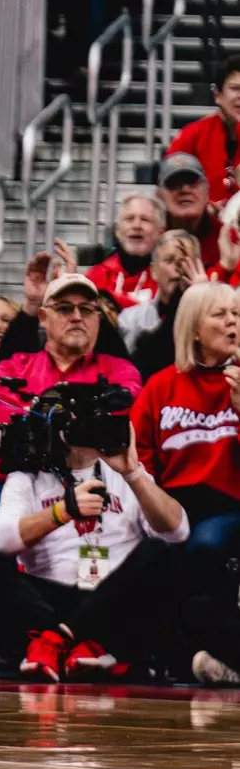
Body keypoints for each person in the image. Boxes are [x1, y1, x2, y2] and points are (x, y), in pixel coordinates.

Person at [0, 272, 143, 585]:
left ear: (98, 319)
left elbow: (124, 416)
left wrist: (41, 412)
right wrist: (77, 415)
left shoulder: (121, 371)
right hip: (18, 486)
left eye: (86, 309)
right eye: (64, 309)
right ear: (43, 318)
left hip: (100, 488)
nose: (76, 317)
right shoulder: (12, 367)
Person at [0, 414, 187, 680]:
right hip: (44, 608)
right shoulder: (27, 476)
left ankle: (57, 643)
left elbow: (177, 532)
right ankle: (73, 647)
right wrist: (62, 511)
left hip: (110, 604)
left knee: (159, 553)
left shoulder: (124, 472)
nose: (82, 433)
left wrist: (134, 474)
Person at [130, 281, 240, 680]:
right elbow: (139, 454)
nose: (232, 322)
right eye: (220, 314)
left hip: (229, 503)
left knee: (204, 546)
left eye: (237, 314)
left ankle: (207, 654)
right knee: (147, 555)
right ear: (194, 328)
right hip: (171, 503)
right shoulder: (162, 384)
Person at [118, 230, 201, 377]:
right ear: (153, 271)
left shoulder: (215, 314)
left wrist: (203, 299)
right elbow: (134, 371)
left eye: (185, 261)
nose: (179, 268)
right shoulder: (131, 319)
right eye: (170, 260)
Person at [167, 56, 240, 204]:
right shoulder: (191, 136)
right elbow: (167, 188)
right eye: (235, 89)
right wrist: (203, 208)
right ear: (217, 95)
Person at [159, 153, 223, 268]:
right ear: (160, 195)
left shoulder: (228, 238)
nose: (185, 189)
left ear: (207, 192)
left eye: (192, 182)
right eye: (174, 184)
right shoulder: (151, 237)